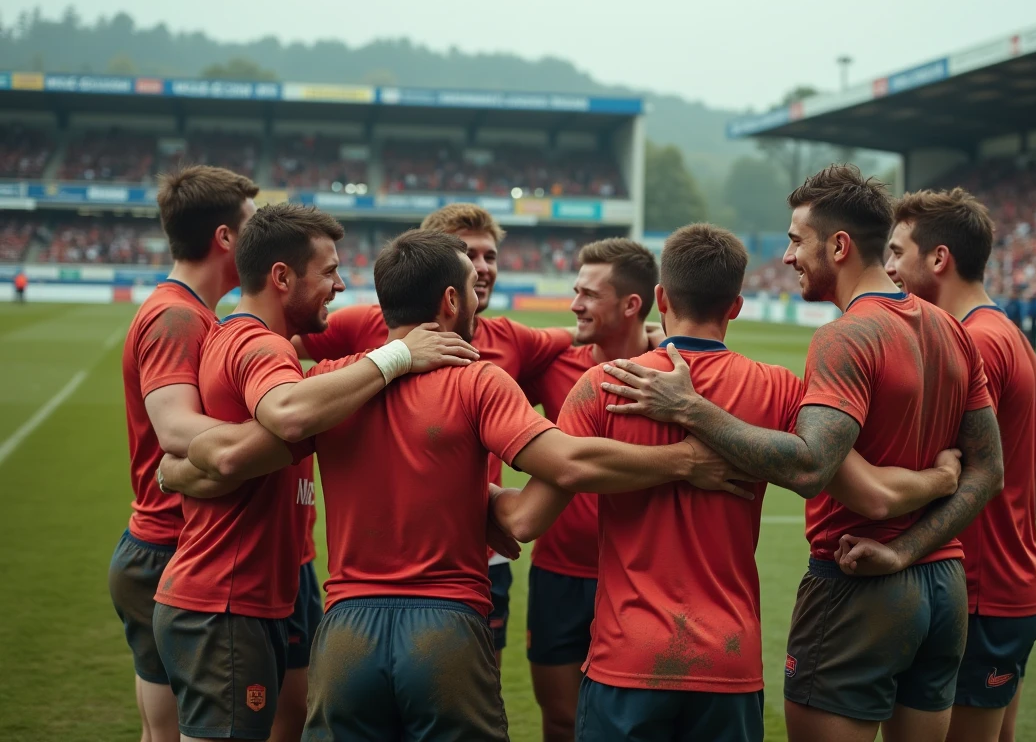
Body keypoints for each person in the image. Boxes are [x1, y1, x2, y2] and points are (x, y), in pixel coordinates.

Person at [178, 229, 747, 742]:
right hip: (444, 626)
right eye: (473, 287)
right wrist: (683, 461)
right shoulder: (477, 380)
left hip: (347, 629)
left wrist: (175, 466)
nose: (480, 297)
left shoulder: (331, 385)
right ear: (451, 300)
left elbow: (232, 455)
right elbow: (568, 463)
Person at [499, 223, 967, 742]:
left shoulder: (603, 384)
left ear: (659, 299)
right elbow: (872, 494)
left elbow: (527, 519)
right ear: (737, 306)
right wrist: (941, 478)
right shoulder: (780, 390)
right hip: (728, 661)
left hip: (626, 655)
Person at [603, 167, 1004, 742]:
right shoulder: (950, 328)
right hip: (943, 584)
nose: (788, 257)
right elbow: (987, 470)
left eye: (796, 240)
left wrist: (692, 409)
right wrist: (914, 546)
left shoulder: (846, 335)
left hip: (857, 582)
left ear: (838, 246)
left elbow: (811, 465)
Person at [152, 206, 477, 742]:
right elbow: (287, 416)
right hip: (226, 599)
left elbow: (241, 451)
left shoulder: (246, 339)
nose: (340, 284)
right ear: (282, 277)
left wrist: (185, 469)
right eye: (328, 272)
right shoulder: (258, 343)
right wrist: (395, 358)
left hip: (239, 596)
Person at [293, 203, 573, 666]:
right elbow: (283, 350)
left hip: (470, 558)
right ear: (446, 288)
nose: (483, 268)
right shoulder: (365, 331)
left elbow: (576, 335)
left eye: (491, 255)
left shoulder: (512, 339)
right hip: (433, 595)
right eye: (470, 255)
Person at [884, 188, 1036, 742]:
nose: (887, 268)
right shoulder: (1008, 334)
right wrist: (1007, 534)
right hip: (1009, 587)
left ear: (938, 259)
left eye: (896, 252)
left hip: (979, 593)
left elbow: (932, 467)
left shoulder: (971, 344)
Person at [110, 165, 259, 742]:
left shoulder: (194, 312)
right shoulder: (177, 316)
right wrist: (286, 430)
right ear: (225, 237)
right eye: (251, 224)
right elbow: (176, 431)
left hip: (157, 543)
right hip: (169, 545)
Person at [519, 238, 659, 741]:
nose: (575, 304)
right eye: (575, 291)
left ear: (631, 305)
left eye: (588, 294)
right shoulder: (552, 365)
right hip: (558, 574)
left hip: (639, 576)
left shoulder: (673, 372)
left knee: (632, 724)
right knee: (560, 719)